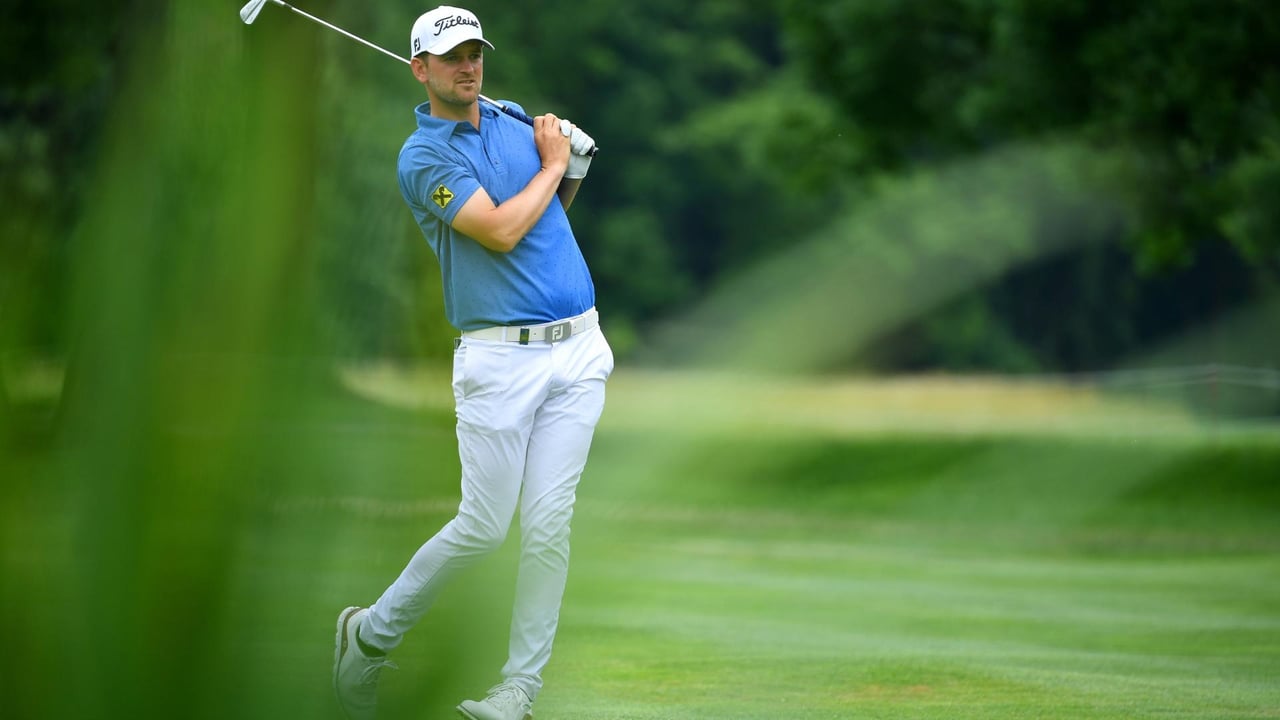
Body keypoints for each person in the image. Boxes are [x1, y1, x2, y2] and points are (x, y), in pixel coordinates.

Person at [331, 6, 613, 720]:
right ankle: (367, 637)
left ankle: (518, 690)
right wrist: (555, 163)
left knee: (549, 522)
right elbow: (498, 230)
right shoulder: (422, 158)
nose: (469, 66)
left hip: (579, 348)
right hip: (498, 364)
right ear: (419, 68)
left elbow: (546, 215)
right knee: (485, 526)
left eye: (476, 52)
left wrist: (567, 167)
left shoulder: (514, 117)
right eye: (452, 56)